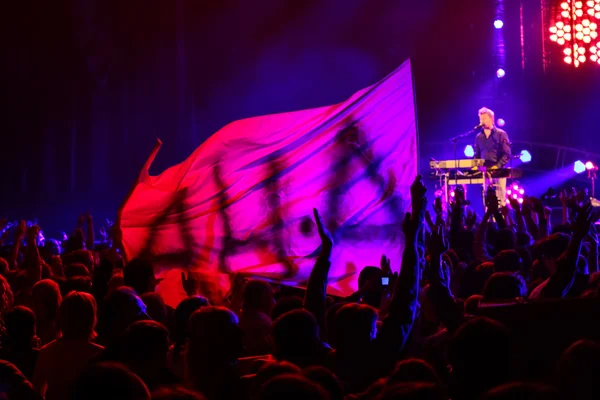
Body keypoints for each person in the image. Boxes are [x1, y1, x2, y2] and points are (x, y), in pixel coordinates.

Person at [474, 107, 511, 206]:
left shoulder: (501, 134)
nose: (482, 121)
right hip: (485, 172)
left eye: (485, 118)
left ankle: (501, 219)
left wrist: (498, 166)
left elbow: (507, 154)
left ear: (491, 119)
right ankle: (488, 219)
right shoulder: (478, 137)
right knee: (486, 199)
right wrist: (476, 165)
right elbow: (476, 154)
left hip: (498, 171)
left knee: (500, 198)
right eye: (481, 119)